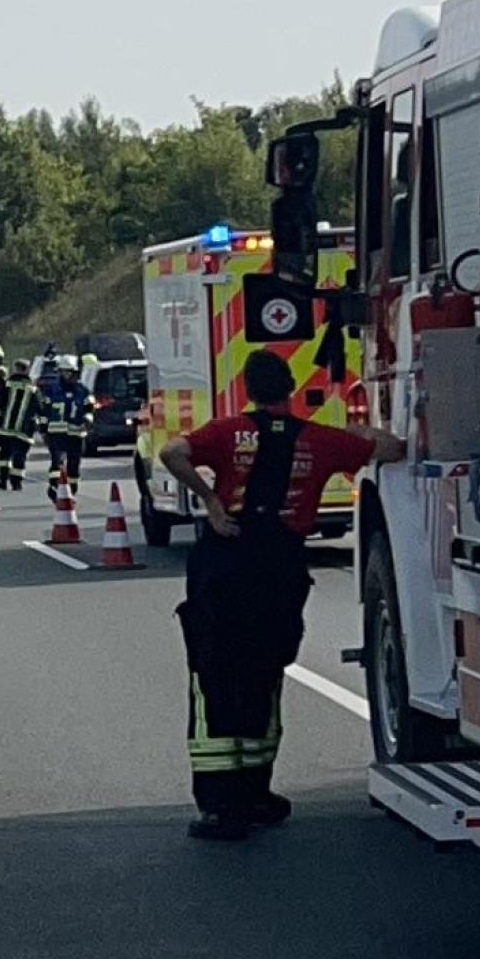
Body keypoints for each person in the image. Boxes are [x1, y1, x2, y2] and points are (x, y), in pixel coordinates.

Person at [159, 349, 404, 841]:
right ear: (290, 389)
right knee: (265, 673)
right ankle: (256, 793)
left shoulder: (227, 433)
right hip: (279, 570)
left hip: (225, 567)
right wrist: (356, 432)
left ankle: (220, 807)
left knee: (214, 677)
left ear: (248, 390)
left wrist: (210, 501)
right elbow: (392, 449)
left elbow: (171, 453)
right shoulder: (319, 440)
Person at [42, 361, 92, 501]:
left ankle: (71, 491)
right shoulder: (52, 389)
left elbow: (90, 408)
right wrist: (43, 428)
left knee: (74, 465)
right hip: (56, 432)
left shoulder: (82, 390)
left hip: (76, 433)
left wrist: (87, 420)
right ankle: (54, 488)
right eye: (63, 372)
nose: (66, 375)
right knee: (57, 461)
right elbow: (45, 410)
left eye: (68, 372)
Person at [0, 359, 42, 492]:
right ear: (27, 370)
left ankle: (3, 480)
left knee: (5, 455)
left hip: (6, 427)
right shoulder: (33, 389)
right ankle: (16, 483)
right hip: (24, 430)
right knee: (20, 456)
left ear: (16, 369)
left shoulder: (8, 384)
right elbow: (40, 408)